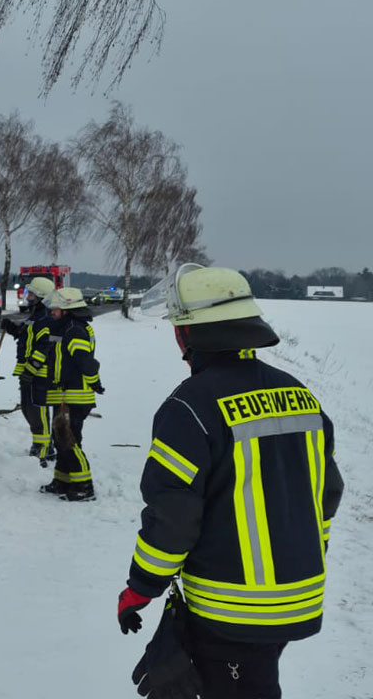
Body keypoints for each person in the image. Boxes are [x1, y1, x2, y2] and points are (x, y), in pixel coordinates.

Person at [117, 265, 343, 699]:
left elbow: (174, 520)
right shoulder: (301, 396)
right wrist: (304, 554)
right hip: (298, 595)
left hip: (232, 609)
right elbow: (327, 494)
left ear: (186, 335)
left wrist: (140, 588)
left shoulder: (189, 409)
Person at [26, 287, 102, 501]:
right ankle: (62, 481)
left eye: (56, 308)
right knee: (61, 440)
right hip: (63, 395)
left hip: (75, 395)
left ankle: (84, 486)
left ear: (68, 309)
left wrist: (95, 382)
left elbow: (86, 362)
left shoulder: (75, 330)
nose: (52, 311)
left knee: (69, 441)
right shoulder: (64, 327)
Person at [1, 276, 55, 464]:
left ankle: (45, 448)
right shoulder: (36, 315)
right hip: (29, 374)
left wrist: (30, 370)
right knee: (28, 410)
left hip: (39, 375)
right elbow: (26, 336)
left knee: (38, 411)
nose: (28, 296)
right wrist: (12, 329)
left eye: (31, 294)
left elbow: (43, 348)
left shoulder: (46, 318)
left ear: (40, 296)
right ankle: (38, 443)